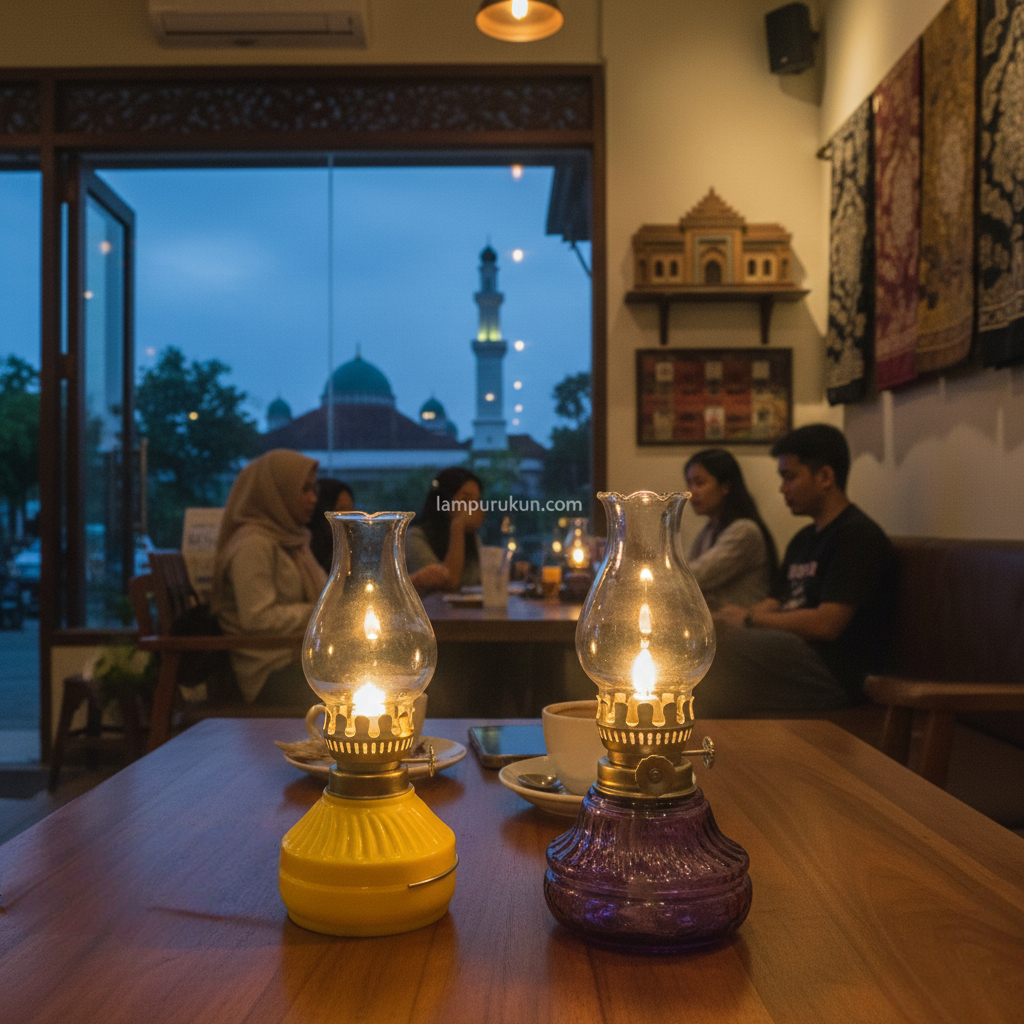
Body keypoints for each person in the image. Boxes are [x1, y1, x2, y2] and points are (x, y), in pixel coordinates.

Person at [696, 424, 897, 716]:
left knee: (716, 649)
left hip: (830, 671)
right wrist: (730, 618)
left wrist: (750, 620)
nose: (783, 488)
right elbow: (775, 601)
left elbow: (826, 624)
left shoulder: (858, 537)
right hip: (790, 650)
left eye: (789, 477)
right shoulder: (803, 539)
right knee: (703, 635)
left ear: (825, 477)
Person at [210, 449, 327, 704]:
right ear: (276, 492)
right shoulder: (253, 544)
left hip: (300, 661)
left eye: (313, 489)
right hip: (270, 673)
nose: (313, 499)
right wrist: (323, 614)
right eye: (304, 489)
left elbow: (328, 596)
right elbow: (258, 618)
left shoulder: (293, 541)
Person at [684, 448, 779, 609]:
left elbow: (695, 577)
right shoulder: (708, 531)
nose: (691, 492)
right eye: (689, 484)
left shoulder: (744, 531)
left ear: (725, 486)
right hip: (720, 620)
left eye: (699, 483)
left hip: (747, 622)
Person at [406, 467, 485, 594]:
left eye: (477, 501)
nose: (474, 507)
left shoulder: (471, 538)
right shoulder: (415, 537)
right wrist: (458, 525)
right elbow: (448, 582)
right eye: (465, 500)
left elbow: (481, 579)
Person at [308, 478, 355, 573]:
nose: (349, 516)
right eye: (341, 510)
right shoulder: (310, 547)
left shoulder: (353, 546)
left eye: (351, 509)